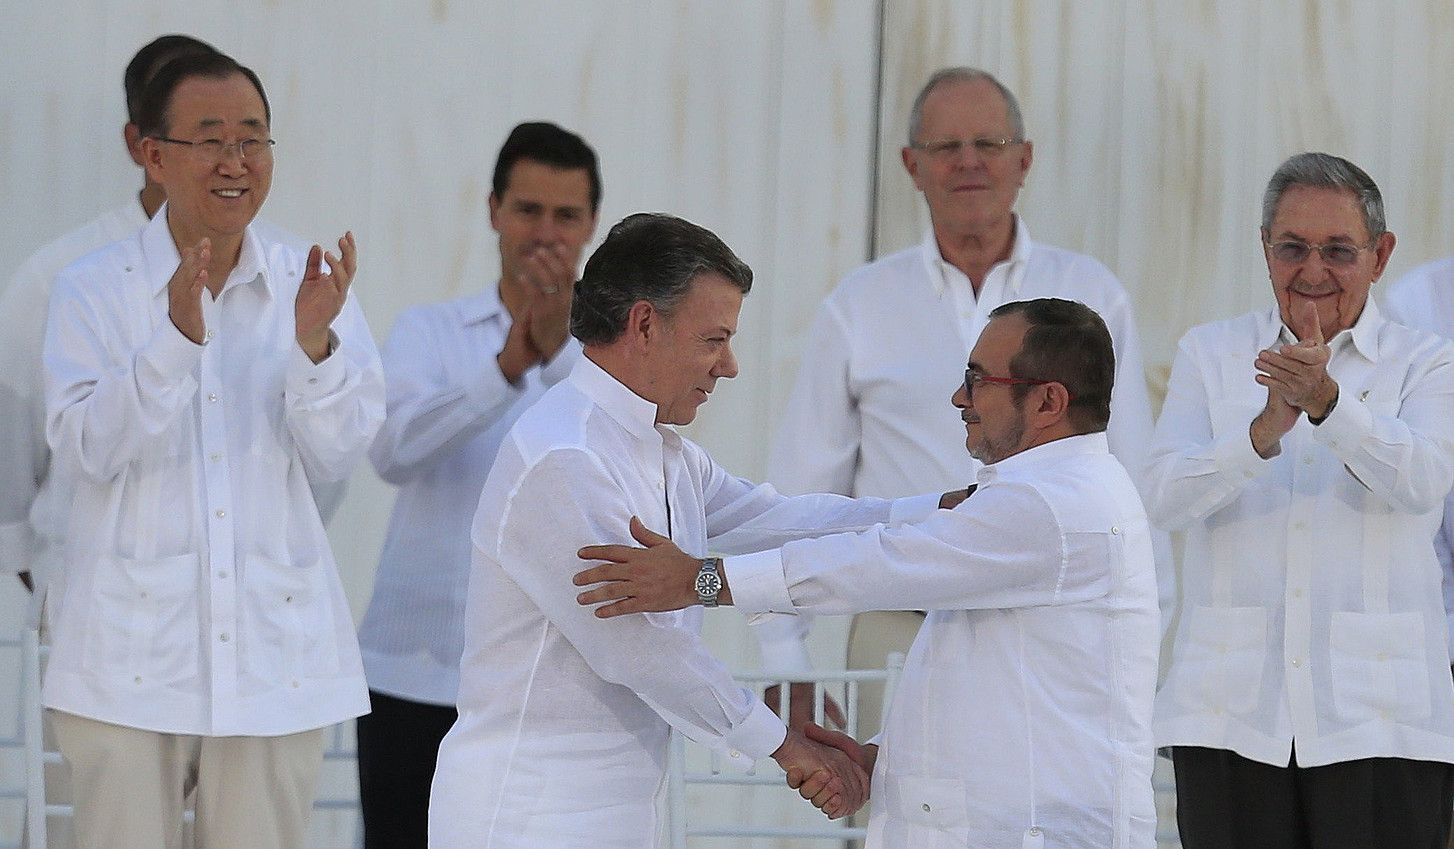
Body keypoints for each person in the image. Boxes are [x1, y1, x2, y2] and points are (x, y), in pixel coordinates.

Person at [428, 212, 962, 849]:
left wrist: (935, 512)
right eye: (716, 339)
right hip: (525, 815)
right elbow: (638, 648)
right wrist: (781, 743)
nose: (730, 366)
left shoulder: (665, 452)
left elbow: (780, 521)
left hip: (623, 811)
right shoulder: (563, 457)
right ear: (646, 325)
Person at [575, 297, 1161, 849]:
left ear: (1048, 403)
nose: (960, 397)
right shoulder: (1043, 495)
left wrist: (699, 581)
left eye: (980, 379)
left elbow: (878, 566)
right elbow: (996, 683)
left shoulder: (1051, 505)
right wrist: (891, 761)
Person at [41, 50, 384, 849]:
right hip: (127, 664)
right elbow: (85, 449)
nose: (236, 163)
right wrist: (171, 341)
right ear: (153, 155)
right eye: (211, 140)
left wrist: (314, 346)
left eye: (254, 140)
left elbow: (339, 455)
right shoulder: (92, 288)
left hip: (273, 658)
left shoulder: (313, 283)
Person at [763, 66, 1161, 736]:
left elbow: (1134, 486)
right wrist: (784, 657)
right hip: (899, 628)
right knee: (893, 833)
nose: (969, 162)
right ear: (911, 165)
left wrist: (1139, 656)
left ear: (1025, 159)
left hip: (1055, 630)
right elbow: (801, 493)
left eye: (989, 143)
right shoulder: (859, 306)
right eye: (946, 147)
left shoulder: (1092, 296)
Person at [1147, 152, 1454, 848]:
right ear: (1264, 249)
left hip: (1382, 716)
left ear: (1381, 256)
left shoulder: (1428, 360)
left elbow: (1425, 479)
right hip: (1228, 713)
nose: (1312, 270)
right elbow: (1162, 499)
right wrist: (1260, 432)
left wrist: (1329, 406)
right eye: (1292, 248)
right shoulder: (1209, 353)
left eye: (1339, 251)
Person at [354, 121, 601, 849]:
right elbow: (391, 452)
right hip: (416, 667)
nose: (545, 233)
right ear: (493, 209)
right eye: (528, 210)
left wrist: (556, 356)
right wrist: (504, 366)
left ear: (592, 223)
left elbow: (629, 470)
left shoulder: (615, 355)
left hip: (552, 680)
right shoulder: (428, 332)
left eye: (565, 215)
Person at [0, 34, 218, 596]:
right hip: (88, 584)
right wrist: (26, 561)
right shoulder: (59, 275)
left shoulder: (289, 271)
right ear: (140, 143)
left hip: (236, 595)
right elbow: (12, 431)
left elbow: (319, 452)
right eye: (194, 130)